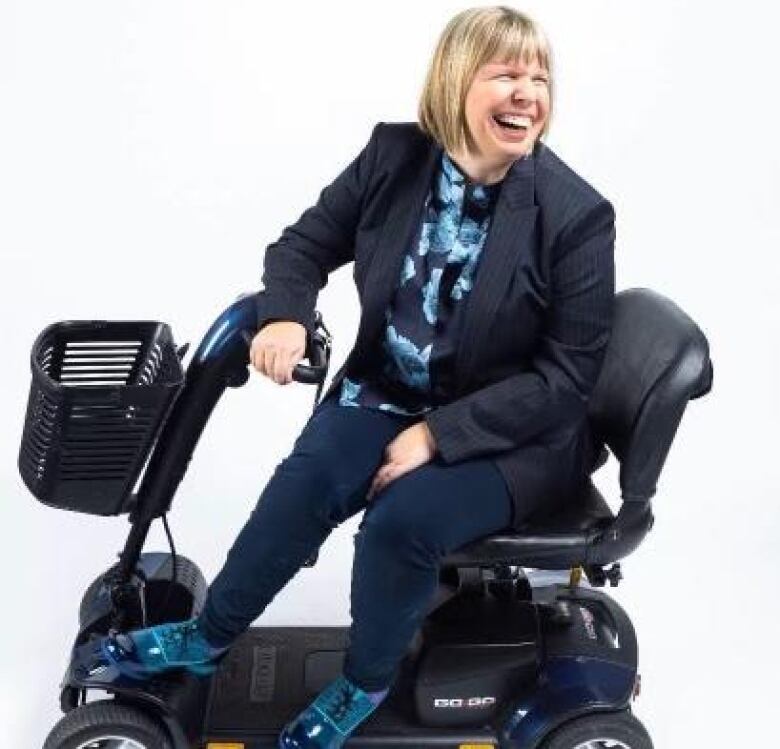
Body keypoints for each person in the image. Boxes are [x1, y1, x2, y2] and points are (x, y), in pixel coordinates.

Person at [92, 6, 615, 748]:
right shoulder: (393, 158)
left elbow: (565, 379)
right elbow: (302, 246)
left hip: (516, 434)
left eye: (540, 76)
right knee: (306, 480)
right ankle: (208, 636)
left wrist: (437, 434)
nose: (529, 92)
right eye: (506, 73)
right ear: (456, 81)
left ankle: (364, 681)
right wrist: (287, 315)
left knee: (400, 525)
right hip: (388, 391)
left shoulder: (575, 215)